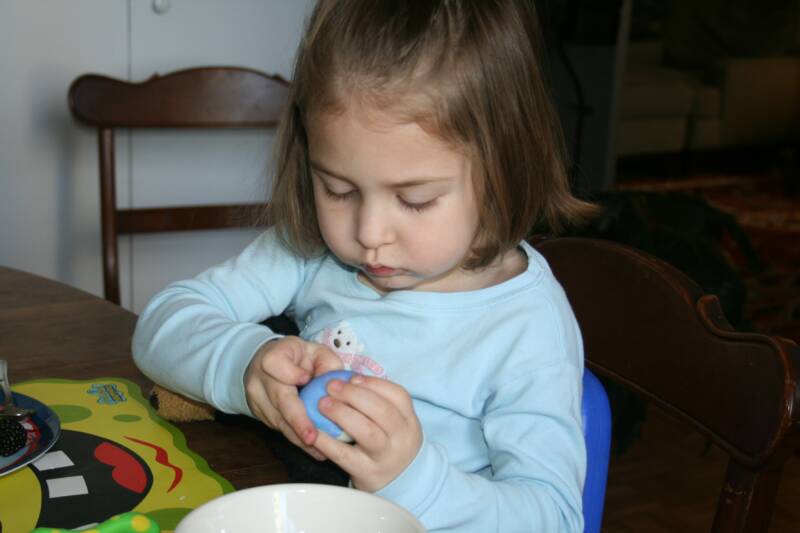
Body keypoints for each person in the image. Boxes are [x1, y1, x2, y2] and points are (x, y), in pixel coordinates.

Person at [133, 1, 598, 531]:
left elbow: (554, 516)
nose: (369, 234)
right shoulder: (309, 250)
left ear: (503, 169)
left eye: (416, 200)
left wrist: (414, 479)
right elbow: (163, 323)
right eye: (338, 190)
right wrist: (245, 364)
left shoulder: (526, 324)